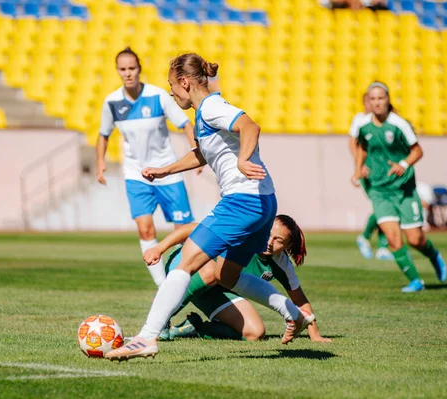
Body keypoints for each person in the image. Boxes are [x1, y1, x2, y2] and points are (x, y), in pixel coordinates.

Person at [106, 53, 314, 361]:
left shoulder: (213, 107)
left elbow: (250, 127)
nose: (171, 92)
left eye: (171, 85)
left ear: (185, 82)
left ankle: (147, 337)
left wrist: (243, 160)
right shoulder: (204, 113)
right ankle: (292, 313)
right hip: (262, 202)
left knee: (185, 264)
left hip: (243, 200)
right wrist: (166, 171)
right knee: (227, 275)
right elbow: (202, 155)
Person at [96, 47, 197, 288]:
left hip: (167, 172)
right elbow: (103, 134)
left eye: (132, 68)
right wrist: (100, 163)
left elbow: (185, 123)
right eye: (123, 69)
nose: (128, 73)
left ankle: (186, 278)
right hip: (136, 175)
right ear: (118, 71)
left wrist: (197, 153)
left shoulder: (159, 96)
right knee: (144, 228)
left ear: (139, 69)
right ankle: (163, 286)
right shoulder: (112, 102)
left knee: (183, 231)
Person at [144, 215, 331, 343]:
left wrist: (314, 334)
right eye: (268, 234)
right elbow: (193, 228)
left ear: (288, 246)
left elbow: (300, 300)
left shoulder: (281, 264)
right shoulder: (244, 233)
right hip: (186, 267)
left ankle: (197, 328)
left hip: (216, 288)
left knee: (255, 333)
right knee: (212, 270)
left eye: (279, 240)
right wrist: (159, 249)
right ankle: (161, 321)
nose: (269, 242)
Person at [351, 82, 447, 293]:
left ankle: (433, 254)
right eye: (373, 99)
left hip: (403, 190)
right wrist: (358, 169)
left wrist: (403, 165)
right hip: (379, 191)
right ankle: (416, 281)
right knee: (394, 240)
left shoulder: (399, 124)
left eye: (381, 98)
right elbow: (361, 147)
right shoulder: (363, 126)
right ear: (369, 101)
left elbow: (417, 151)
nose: (377, 103)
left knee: (415, 239)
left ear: (388, 100)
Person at [349, 93, 394, 261]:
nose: (374, 103)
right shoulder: (361, 120)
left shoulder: (385, 121)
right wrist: (360, 166)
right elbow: (353, 143)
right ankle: (366, 237)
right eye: (370, 100)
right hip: (369, 172)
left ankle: (383, 246)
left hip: (384, 172)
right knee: (381, 206)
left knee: (387, 207)